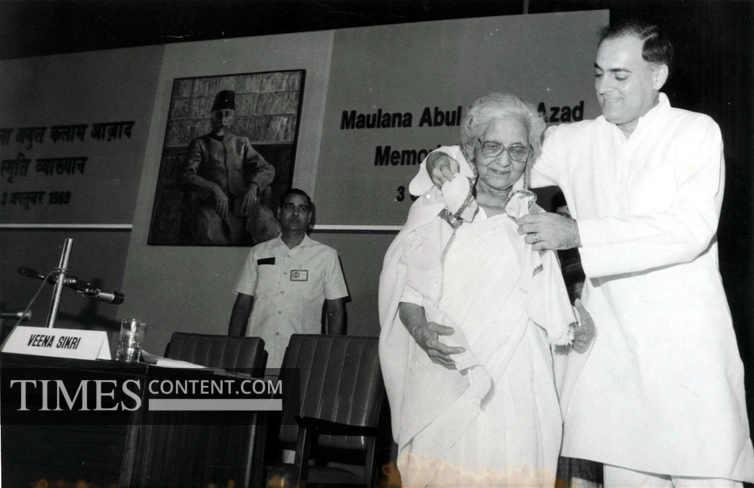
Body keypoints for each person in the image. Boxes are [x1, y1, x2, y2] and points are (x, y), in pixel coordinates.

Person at [418, 18, 754, 488]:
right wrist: (440, 158)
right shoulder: (577, 140)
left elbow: (689, 230)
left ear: (657, 76)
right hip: (614, 358)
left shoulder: (695, 132)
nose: (604, 87)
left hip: (686, 356)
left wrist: (577, 232)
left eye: (620, 75)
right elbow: (495, 155)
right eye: (599, 73)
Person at [379, 93, 594, 487]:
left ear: (529, 158)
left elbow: (555, 310)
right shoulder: (437, 211)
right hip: (448, 374)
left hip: (519, 382)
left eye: (517, 150)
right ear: (470, 150)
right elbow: (409, 299)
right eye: (492, 146)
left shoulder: (538, 222)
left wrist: (579, 326)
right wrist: (423, 334)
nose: (503, 160)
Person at [229, 188, 348, 369]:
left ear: (310, 217)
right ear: (278, 212)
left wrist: (334, 351)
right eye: (289, 207)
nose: (295, 213)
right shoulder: (258, 252)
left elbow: (336, 310)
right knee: (254, 398)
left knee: (293, 398)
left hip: (303, 356)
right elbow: (243, 303)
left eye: (302, 209)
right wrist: (232, 346)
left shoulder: (327, 256)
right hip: (257, 354)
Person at [180, 89, 281, 245]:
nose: (223, 119)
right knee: (207, 231)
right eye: (218, 114)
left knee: (271, 229)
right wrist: (213, 188)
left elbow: (267, 169)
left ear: (233, 118)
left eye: (227, 114)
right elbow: (186, 175)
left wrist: (254, 186)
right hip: (213, 206)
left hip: (243, 206)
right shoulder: (199, 143)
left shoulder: (241, 143)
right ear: (211, 117)